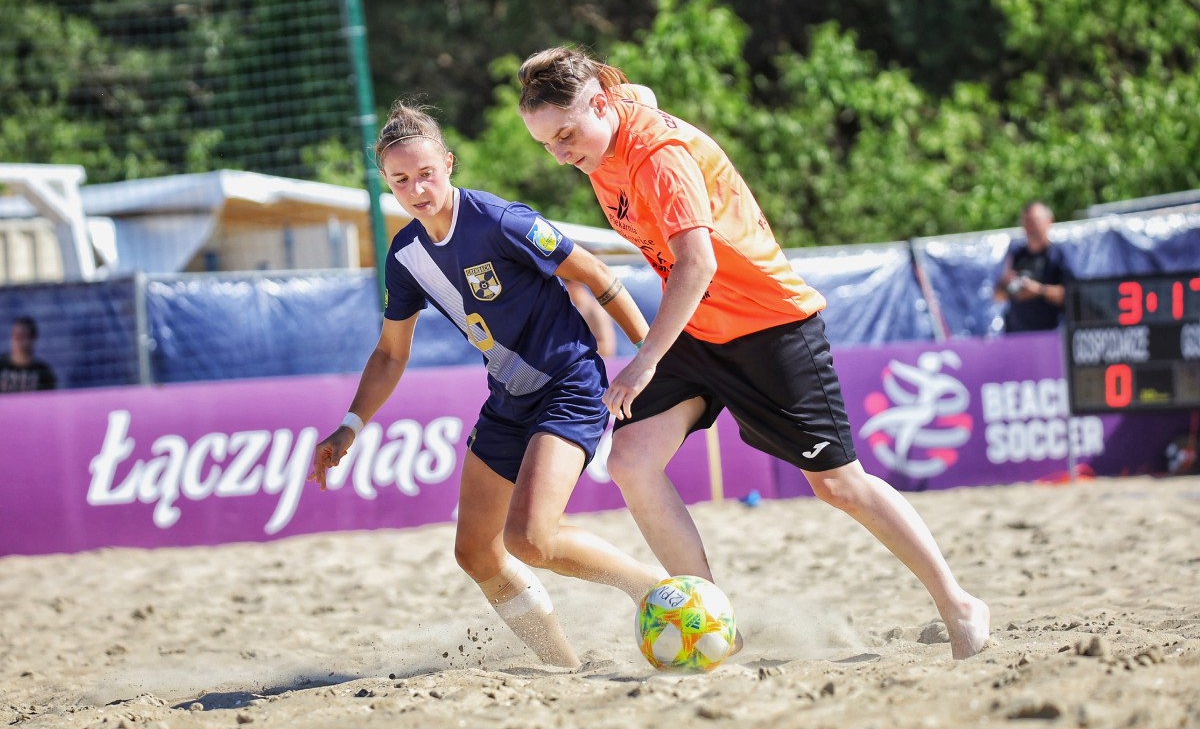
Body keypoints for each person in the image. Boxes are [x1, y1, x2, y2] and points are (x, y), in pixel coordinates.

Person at [517, 47, 990, 660]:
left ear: (601, 106)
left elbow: (698, 264)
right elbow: (642, 95)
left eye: (565, 135)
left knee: (839, 485)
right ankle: (712, 622)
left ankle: (958, 602)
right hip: (699, 327)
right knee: (632, 460)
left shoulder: (659, 157)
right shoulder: (611, 119)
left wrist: (645, 359)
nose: (560, 154)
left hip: (769, 326)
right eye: (546, 144)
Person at [307, 99, 664, 669]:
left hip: (568, 384)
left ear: (448, 164)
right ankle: (563, 667)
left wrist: (651, 355)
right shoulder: (405, 256)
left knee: (531, 539)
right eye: (401, 180)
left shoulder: (500, 221)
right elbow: (391, 353)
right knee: (475, 551)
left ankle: (653, 590)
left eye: (426, 173)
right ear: (386, 183)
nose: (417, 189)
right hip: (509, 398)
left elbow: (597, 275)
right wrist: (349, 427)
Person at [994, 200, 1071, 333]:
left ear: (1049, 221)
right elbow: (998, 296)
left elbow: (1070, 295)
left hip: (1050, 334)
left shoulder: (1058, 255)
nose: (1030, 227)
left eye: (1034, 221)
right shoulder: (1016, 254)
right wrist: (1007, 285)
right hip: (1017, 334)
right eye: (1026, 221)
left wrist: (1038, 290)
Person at [0, 315, 57, 393]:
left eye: (23, 335)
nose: (17, 339)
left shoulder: (44, 374)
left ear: (33, 339)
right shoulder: (1, 366)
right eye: (15, 334)